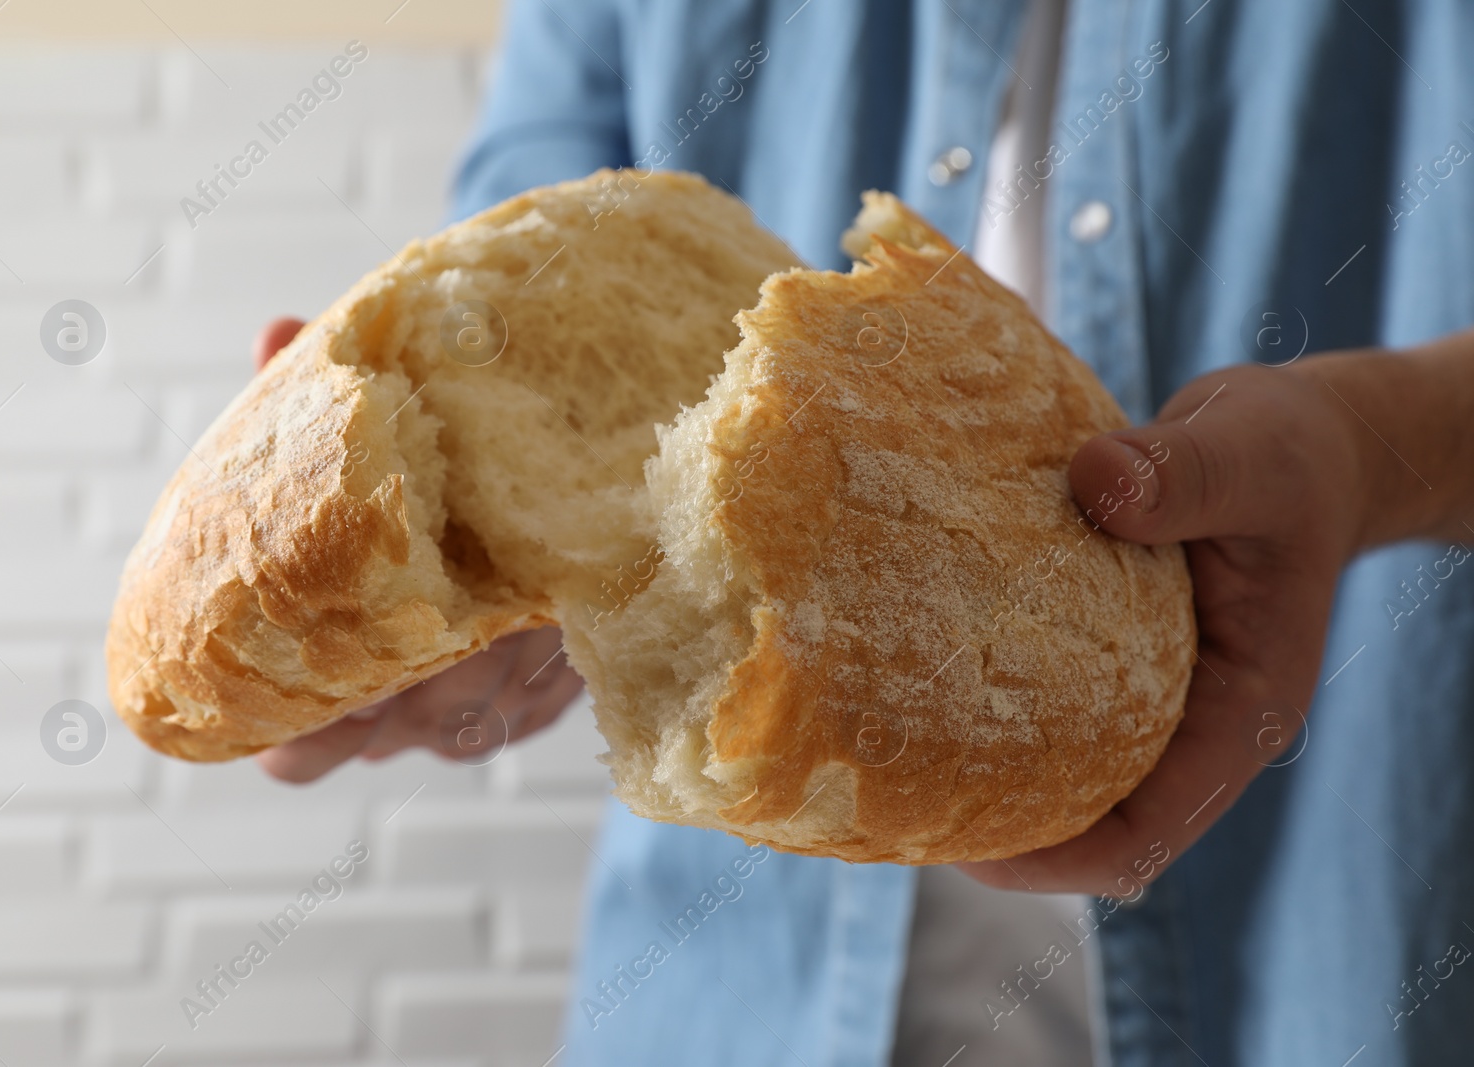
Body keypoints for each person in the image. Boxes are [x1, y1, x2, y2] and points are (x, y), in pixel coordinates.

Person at [255, 2, 1474, 1064]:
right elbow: (516, 261)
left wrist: (1371, 448)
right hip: (733, 993)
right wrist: (489, 586)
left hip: (1339, 952)